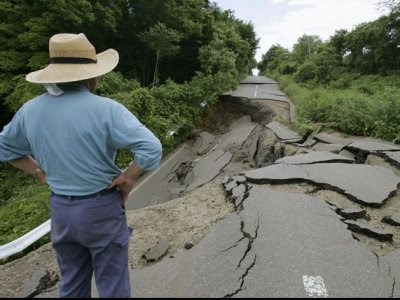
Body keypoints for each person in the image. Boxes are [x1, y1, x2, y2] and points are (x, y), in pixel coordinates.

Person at [0, 33, 163, 298]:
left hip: (61, 209)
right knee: (112, 283)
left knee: (72, 282)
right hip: (101, 208)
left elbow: (5, 148)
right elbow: (151, 148)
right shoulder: (106, 109)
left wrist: (38, 172)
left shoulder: (29, 111)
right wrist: (128, 177)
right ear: (89, 76)